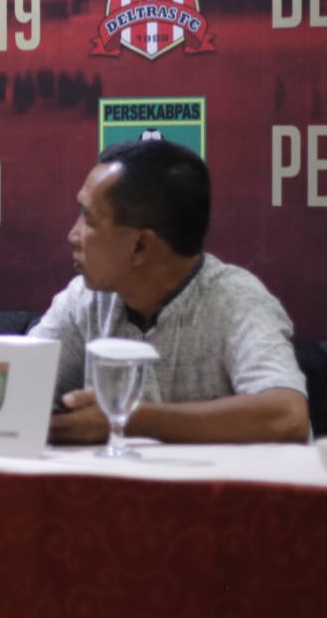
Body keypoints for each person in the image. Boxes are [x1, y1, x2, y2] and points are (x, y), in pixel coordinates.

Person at [33, 138, 309, 444]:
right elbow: (16, 385)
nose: (73, 235)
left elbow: (288, 415)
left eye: (89, 219)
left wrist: (129, 418)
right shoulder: (85, 299)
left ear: (140, 246)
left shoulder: (235, 300)